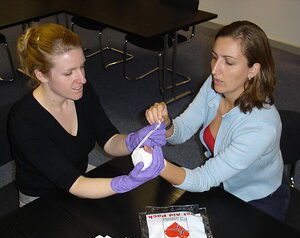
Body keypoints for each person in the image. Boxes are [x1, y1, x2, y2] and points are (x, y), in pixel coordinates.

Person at [8, 23, 166, 207]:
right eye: (69, 73)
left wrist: (136, 139)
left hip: (81, 178)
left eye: (81, 66)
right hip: (42, 199)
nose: (82, 79)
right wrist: (126, 183)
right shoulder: (24, 120)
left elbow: (109, 140)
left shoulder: (80, 91)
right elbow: (75, 184)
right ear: (41, 75)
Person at [145, 21, 289, 221]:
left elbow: (204, 178)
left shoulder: (262, 126)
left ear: (253, 70)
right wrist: (167, 123)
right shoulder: (216, 85)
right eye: (214, 57)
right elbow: (183, 130)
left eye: (228, 62)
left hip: (257, 198)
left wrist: (156, 165)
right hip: (221, 180)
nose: (215, 70)